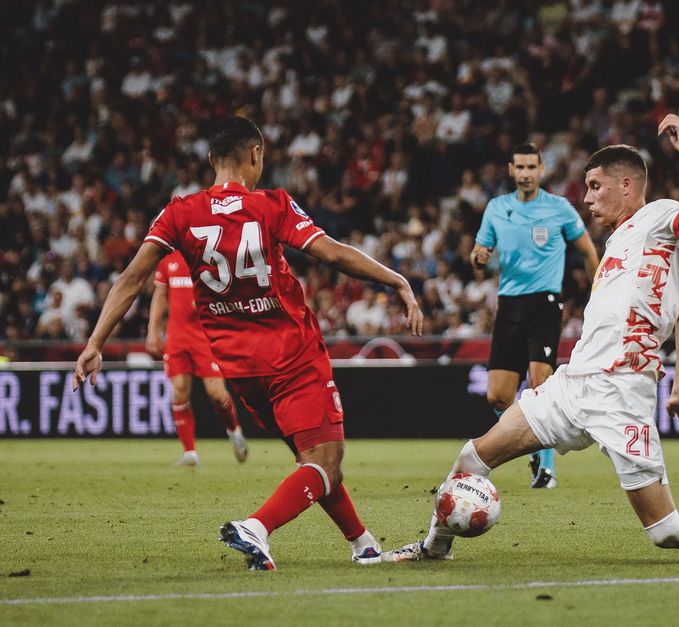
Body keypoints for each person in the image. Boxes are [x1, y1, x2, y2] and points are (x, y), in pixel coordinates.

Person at [387, 115, 679, 563]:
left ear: (626, 185)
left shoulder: (660, 216)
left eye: (595, 186)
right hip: (573, 385)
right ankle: (433, 548)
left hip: (622, 394)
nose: (586, 198)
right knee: (473, 456)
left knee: (668, 532)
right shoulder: (620, 246)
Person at [73, 116, 424, 571]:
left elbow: (129, 279)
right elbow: (333, 253)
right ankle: (256, 527)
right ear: (255, 154)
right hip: (292, 355)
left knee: (314, 460)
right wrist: (397, 281)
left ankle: (364, 544)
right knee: (326, 458)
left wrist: (95, 343)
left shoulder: (179, 212)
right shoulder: (271, 205)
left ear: (210, 159)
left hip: (240, 369)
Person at [471, 143, 599, 488]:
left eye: (532, 167)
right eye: (520, 168)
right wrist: (479, 257)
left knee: (539, 385)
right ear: (511, 171)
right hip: (509, 303)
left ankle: (546, 467)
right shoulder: (497, 209)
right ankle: (530, 444)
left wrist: (601, 289)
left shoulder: (559, 209)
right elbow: (479, 250)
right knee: (498, 395)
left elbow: (587, 249)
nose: (526, 174)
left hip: (545, 303)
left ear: (541, 170)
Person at [146, 250, 248, 466]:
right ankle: (190, 452)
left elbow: (228, 291)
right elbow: (160, 295)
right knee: (179, 390)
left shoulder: (208, 256)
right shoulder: (168, 260)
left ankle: (234, 430)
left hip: (205, 336)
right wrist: (153, 330)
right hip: (176, 337)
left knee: (217, 394)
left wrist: (209, 303)